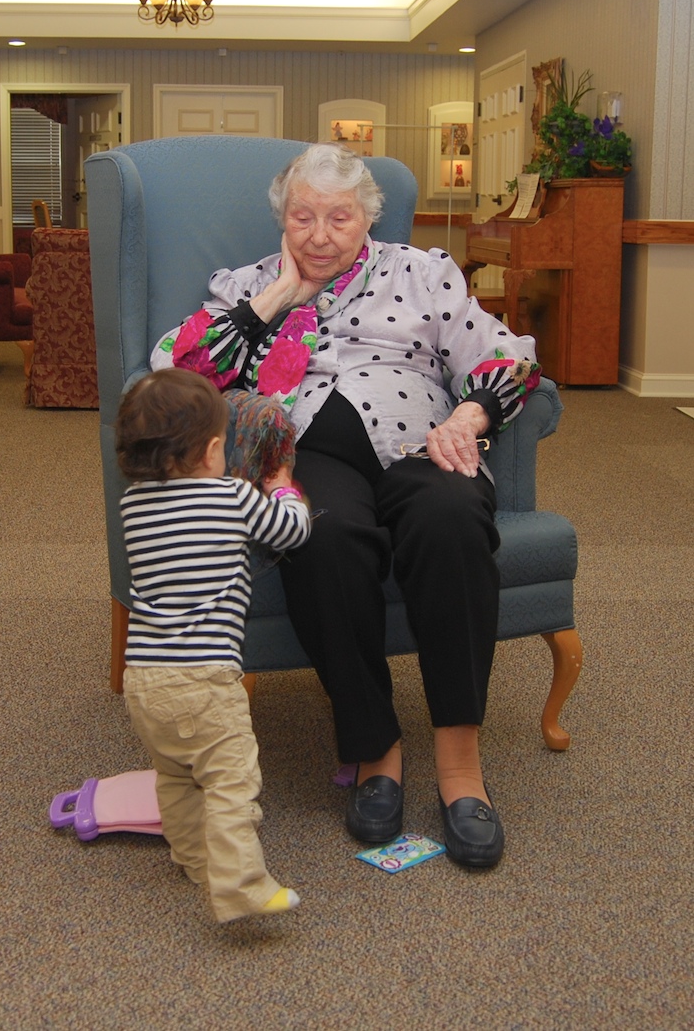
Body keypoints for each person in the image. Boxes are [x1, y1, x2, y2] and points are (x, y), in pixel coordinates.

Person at [152, 143, 541, 869]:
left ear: (367, 217)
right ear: (283, 221)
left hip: (423, 444)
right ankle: (376, 751)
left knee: (453, 521)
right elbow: (174, 369)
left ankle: (461, 766)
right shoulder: (248, 287)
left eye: (339, 217)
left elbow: (507, 352)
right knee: (318, 536)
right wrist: (275, 299)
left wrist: (471, 416)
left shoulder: (422, 273)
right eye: (304, 216)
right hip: (311, 458)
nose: (321, 234)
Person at [115, 368, 311, 921]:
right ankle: (240, 886)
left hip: (144, 678)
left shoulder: (132, 507)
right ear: (213, 451)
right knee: (231, 782)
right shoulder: (230, 496)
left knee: (176, 776)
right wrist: (284, 491)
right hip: (204, 679)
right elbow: (291, 532)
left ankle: (193, 857)